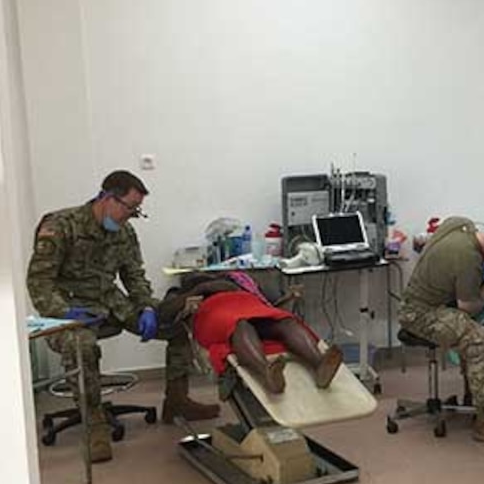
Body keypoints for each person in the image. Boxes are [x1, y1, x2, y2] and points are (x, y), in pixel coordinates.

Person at [27, 171, 220, 462]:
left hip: (111, 304)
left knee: (179, 324)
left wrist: (145, 307)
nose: (130, 216)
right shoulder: (60, 226)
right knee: (82, 345)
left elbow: (135, 278)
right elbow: (39, 282)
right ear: (106, 197)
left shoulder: (125, 232)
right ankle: (94, 426)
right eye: (128, 207)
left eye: (136, 210)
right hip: (68, 310)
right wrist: (64, 312)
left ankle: (177, 402)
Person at [398, 216, 484, 447]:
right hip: (422, 313)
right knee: (479, 338)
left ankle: (474, 396)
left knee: (476, 329)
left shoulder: (460, 224)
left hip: (418, 300)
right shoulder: (469, 258)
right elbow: (468, 306)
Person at [158, 272, 343, 395]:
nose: (207, 277)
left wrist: (231, 287)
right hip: (215, 312)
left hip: (250, 305)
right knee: (239, 325)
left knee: (284, 320)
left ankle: (320, 364)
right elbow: (163, 314)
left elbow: (270, 303)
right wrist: (199, 290)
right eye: (201, 277)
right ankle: (267, 373)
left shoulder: (238, 283)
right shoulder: (181, 292)